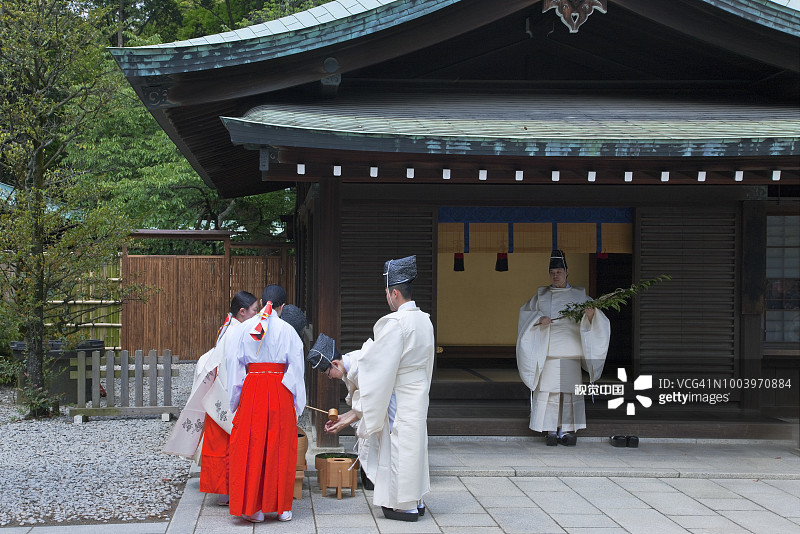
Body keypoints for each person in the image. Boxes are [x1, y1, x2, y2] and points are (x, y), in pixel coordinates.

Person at [323, 255, 435, 522]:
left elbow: (378, 366)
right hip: (417, 392)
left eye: (387, 292)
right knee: (415, 445)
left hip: (398, 393)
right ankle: (416, 500)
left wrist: (355, 405)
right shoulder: (425, 320)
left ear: (395, 293)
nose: (387, 297)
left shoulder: (397, 324)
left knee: (398, 447)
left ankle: (403, 506)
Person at [164, 291, 259, 507]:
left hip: (219, 391)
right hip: (224, 393)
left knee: (221, 446)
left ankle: (226, 491)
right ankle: (226, 492)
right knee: (226, 446)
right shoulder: (236, 332)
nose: (258, 314)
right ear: (242, 312)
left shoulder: (232, 327)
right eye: (254, 310)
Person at [224, 284, 305, 523]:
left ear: (261, 301)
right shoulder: (289, 331)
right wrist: (297, 403)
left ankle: (254, 508)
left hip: (253, 389)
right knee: (280, 447)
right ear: (282, 306)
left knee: (252, 446)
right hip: (280, 389)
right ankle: (282, 508)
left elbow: (235, 365)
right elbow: (296, 369)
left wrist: (235, 399)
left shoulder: (245, 328)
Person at [516, 250, 610, 446]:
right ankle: (550, 429)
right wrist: (538, 319)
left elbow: (598, 321)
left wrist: (591, 315)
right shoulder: (541, 296)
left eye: (559, 271)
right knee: (548, 391)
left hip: (570, 352)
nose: (555, 275)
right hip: (549, 352)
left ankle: (567, 430)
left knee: (570, 392)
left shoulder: (580, 295)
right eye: (552, 272)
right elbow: (526, 315)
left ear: (567, 272)